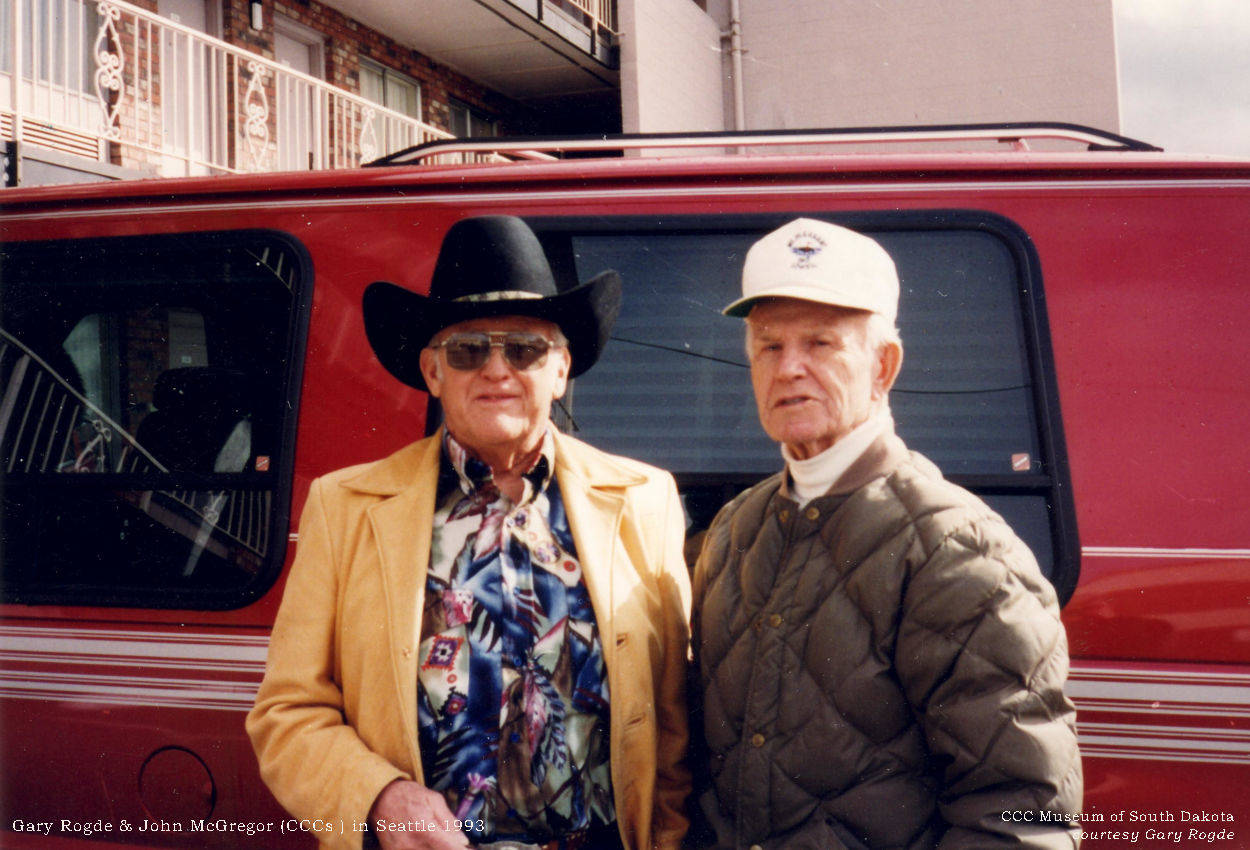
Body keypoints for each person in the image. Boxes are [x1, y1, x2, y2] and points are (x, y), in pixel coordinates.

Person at [248, 216, 691, 850]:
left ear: (561, 368)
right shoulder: (346, 507)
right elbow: (285, 714)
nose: (497, 369)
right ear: (433, 372)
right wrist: (379, 798)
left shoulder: (644, 502)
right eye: (468, 349)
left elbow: (674, 731)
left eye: (524, 348)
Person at [688, 218, 1082, 849]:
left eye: (820, 343)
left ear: (884, 366)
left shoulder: (959, 549)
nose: (789, 368)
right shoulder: (737, 531)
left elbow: (1024, 813)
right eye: (768, 345)